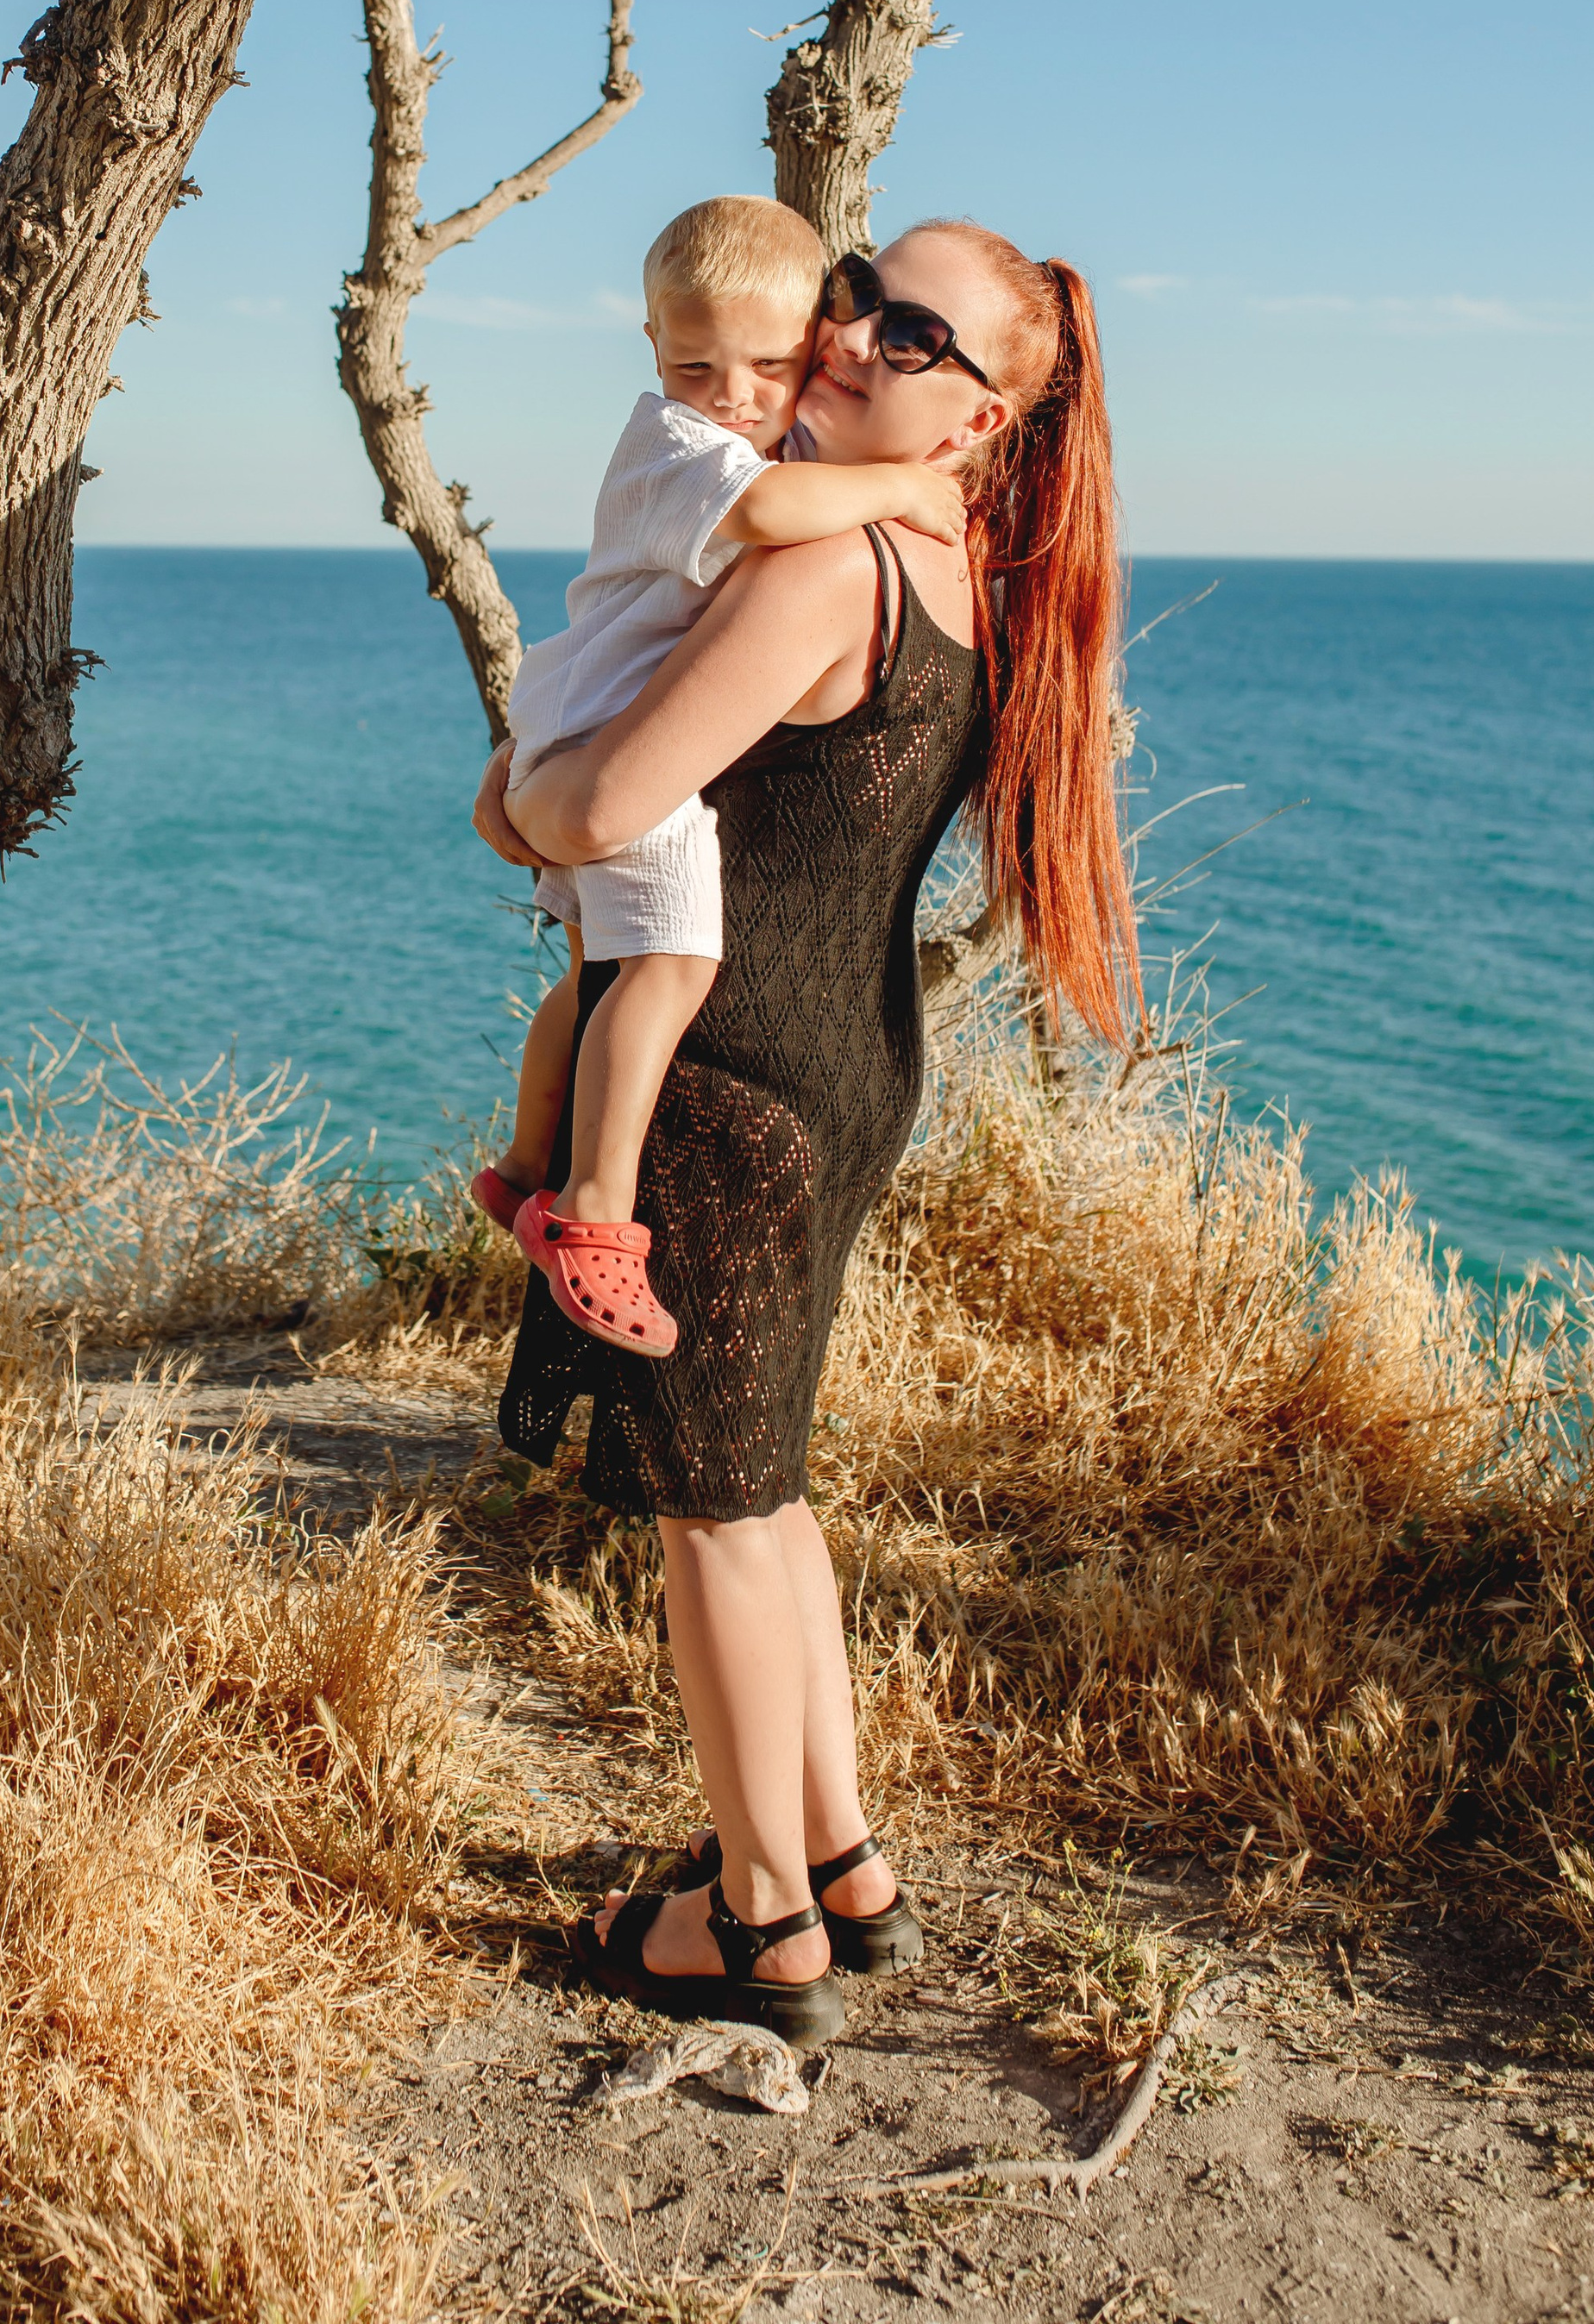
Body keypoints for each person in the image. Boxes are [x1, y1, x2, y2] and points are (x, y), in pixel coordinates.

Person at [472, 217, 1139, 2045]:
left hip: (728, 1080)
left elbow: (605, 794)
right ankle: (841, 1858)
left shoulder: (818, 568)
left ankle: (750, 1924)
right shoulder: (957, 569)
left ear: (985, 413)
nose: (848, 337)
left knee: (716, 1516)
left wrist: (518, 793)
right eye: (855, 293)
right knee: (766, 1497)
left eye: (909, 332)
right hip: (848, 1065)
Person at [474, 195, 964, 1358]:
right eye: (696, 364)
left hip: (585, 722)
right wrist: (903, 488)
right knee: (677, 963)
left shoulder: (735, 427)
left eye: (769, 364)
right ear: (652, 349)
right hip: (613, 740)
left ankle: (523, 1169)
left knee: (600, 972)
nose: (735, 392)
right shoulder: (680, 446)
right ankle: (594, 1216)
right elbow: (774, 509)